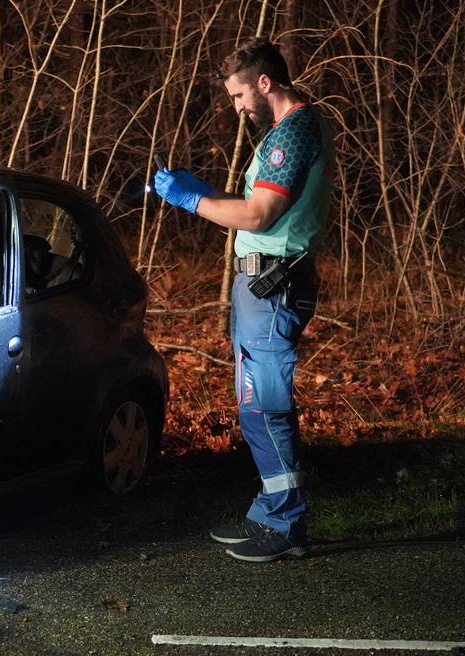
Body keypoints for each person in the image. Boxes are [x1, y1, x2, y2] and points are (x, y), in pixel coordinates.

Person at [152, 38, 335, 562]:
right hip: (263, 286)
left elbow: (258, 217)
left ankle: (285, 525)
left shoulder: (293, 132)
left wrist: (193, 200)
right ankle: (270, 513)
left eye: (237, 96)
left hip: (274, 288)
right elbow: (256, 206)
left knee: (264, 406)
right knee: (256, 406)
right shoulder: (287, 131)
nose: (236, 108)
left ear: (263, 83)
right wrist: (202, 192)